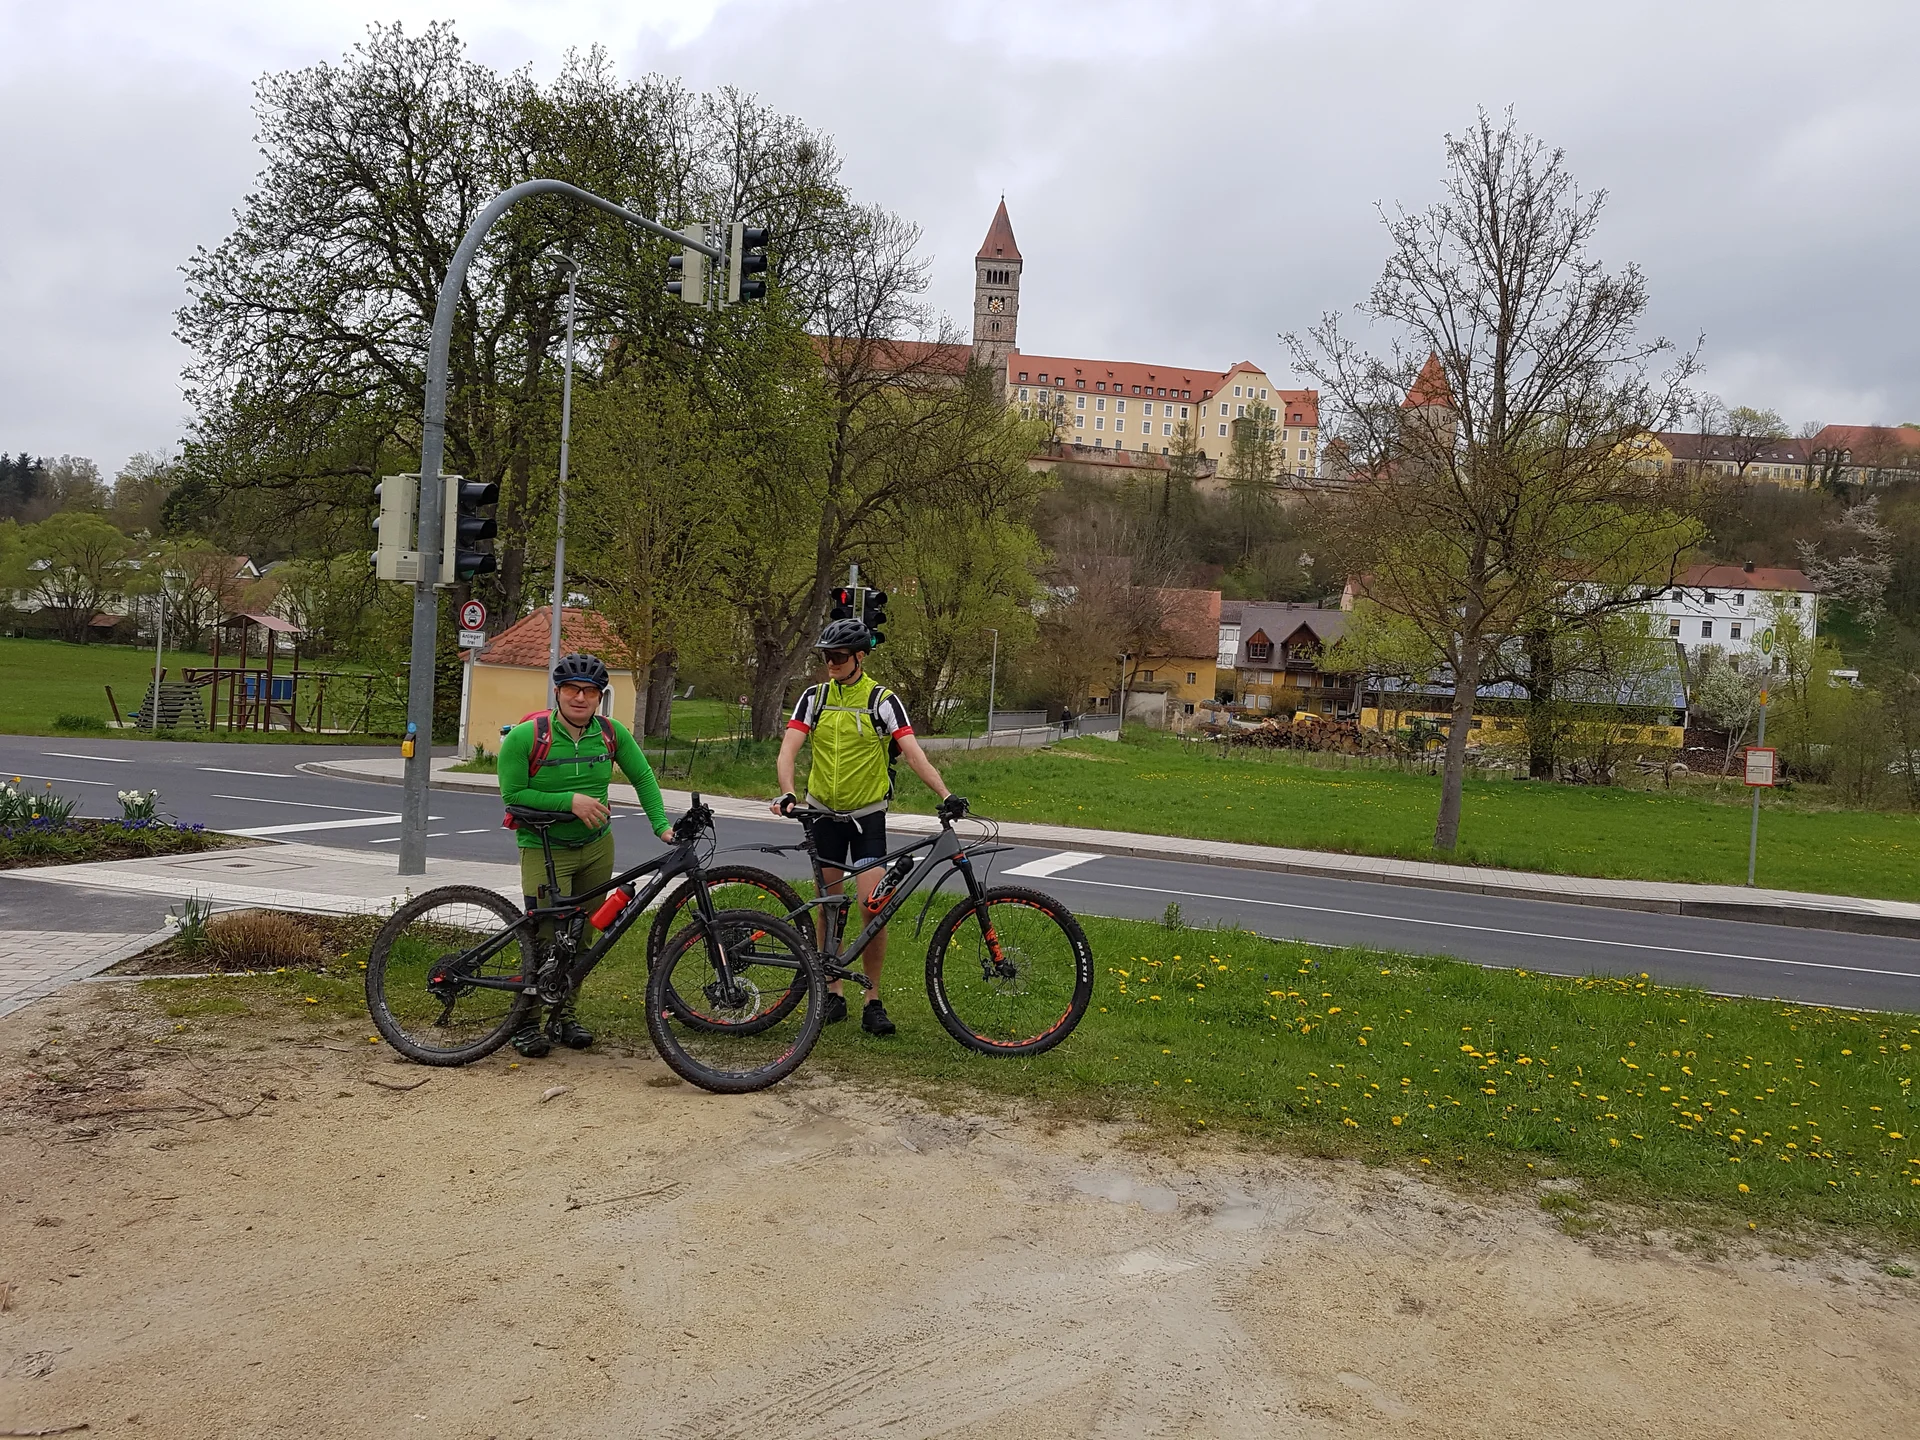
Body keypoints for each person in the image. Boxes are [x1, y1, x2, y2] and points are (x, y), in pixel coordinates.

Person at [770, 616, 958, 1036]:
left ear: (859, 657)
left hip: (867, 817)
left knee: (872, 908)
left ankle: (873, 999)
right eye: (826, 656)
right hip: (823, 814)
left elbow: (912, 752)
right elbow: (788, 750)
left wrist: (945, 794)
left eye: (838, 656)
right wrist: (788, 792)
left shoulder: (882, 700)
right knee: (828, 905)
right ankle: (832, 991)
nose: (830, 663)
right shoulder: (814, 698)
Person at [498, 652, 673, 1058]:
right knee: (545, 937)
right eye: (572, 690)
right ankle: (525, 1023)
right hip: (544, 847)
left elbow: (643, 776)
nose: (580, 698)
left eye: (590, 691)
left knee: (583, 936)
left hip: (596, 848)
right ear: (558, 692)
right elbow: (513, 795)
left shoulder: (611, 733)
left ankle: (563, 1016)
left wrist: (662, 826)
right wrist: (570, 801)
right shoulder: (526, 737)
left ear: (599, 696)